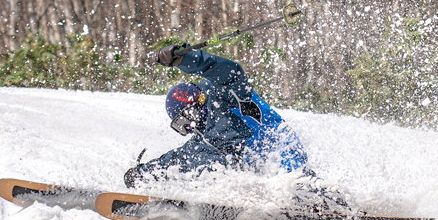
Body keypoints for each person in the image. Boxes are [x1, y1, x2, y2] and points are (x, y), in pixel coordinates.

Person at [124, 44, 309, 187]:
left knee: (287, 175)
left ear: (199, 101)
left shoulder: (227, 92)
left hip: (277, 146)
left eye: (187, 117)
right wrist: (145, 173)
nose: (189, 126)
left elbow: (227, 70)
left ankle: (308, 189)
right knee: (201, 164)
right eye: (181, 125)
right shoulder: (205, 139)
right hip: (258, 170)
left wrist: (184, 60)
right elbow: (178, 160)